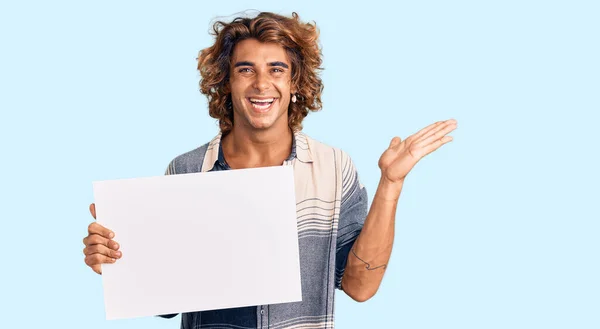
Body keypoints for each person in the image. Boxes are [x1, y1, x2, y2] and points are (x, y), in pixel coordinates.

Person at [82, 11, 457, 329]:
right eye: (246, 70)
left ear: (294, 82)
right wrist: (117, 262)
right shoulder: (187, 169)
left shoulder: (333, 167)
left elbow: (360, 287)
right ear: (226, 83)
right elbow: (166, 304)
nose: (262, 84)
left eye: (276, 69)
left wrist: (391, 183)